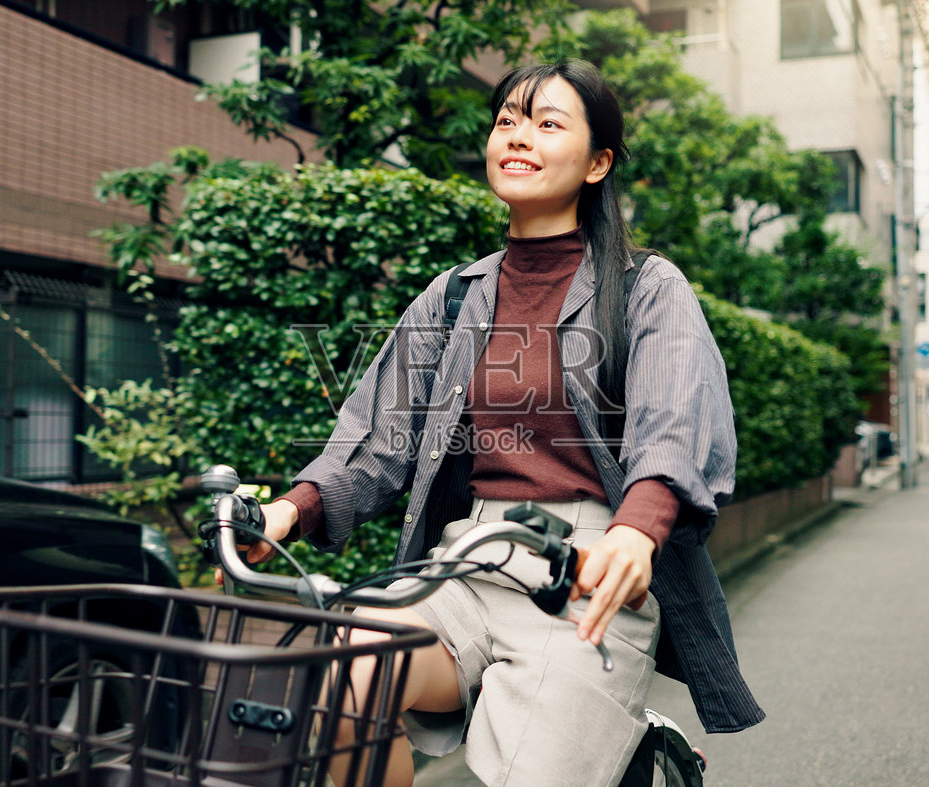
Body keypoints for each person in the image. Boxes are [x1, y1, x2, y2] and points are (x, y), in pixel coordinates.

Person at [241, 59, 763, 787]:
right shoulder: (453, 297)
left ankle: (631, 748)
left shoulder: (648, 287)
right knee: (348, 673)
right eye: (507, 120)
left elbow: (673, 424)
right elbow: (377, 440)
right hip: (468, 557)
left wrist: (637, 528)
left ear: (598, 161)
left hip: (589, 570)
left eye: (549, 123)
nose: (518, 135)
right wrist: (286, 511)